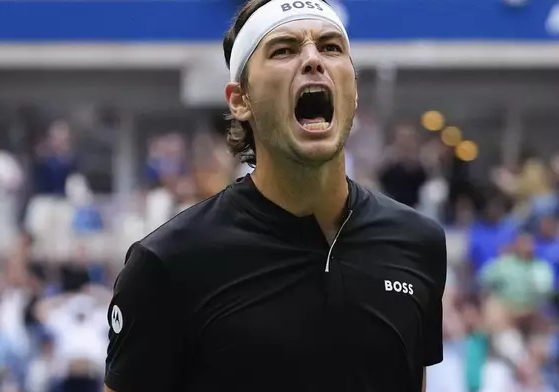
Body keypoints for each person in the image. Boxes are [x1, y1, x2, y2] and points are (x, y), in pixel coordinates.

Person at [104, 0, 447, 391]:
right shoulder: (167, 263)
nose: (313, 60)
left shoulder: (418, 243)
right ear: (239, 100)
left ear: (353, 90)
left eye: (331, 47)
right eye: (284, 49)